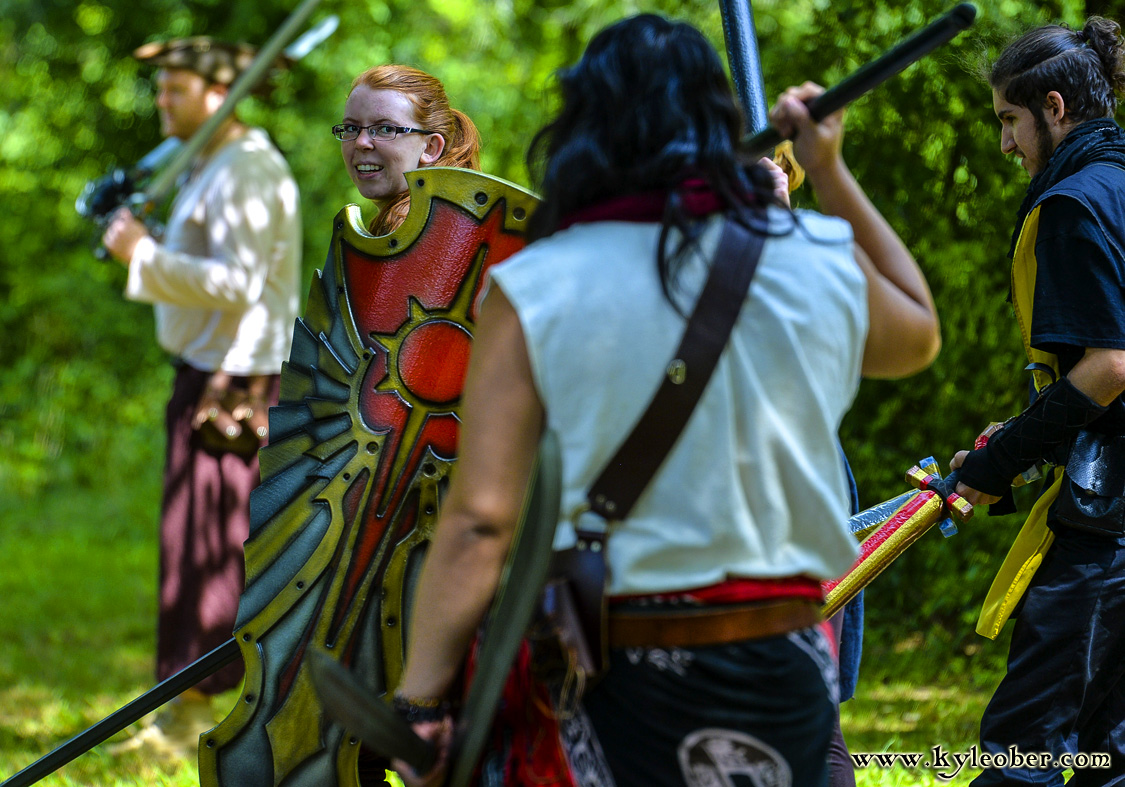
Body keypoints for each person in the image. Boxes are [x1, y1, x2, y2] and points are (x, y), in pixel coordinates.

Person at [387, 14, 939, 787]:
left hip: (613, 662)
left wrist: (420, 701)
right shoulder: (804, 253)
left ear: (585, 129)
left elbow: (482, 519)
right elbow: (915, 333)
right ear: (718, 127)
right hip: (777, 652)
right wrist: (831, 170)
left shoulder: (534, 284)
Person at [100, 36, 302, 758]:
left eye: (175, 88)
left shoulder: (248, 169)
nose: (161, 100)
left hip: (235, 382)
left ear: (221, 94)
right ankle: (181, 714)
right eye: (160, 87)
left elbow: (237, 285)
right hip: (207, 371)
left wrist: (141, 257)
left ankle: (220, 720)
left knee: (218, 557)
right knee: (190, 551)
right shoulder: (215, 162)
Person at [950, 17, 1125, 786]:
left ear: (1052, 108)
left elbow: (1109, 367)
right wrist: (1020, 437)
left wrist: (1000, 458)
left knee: (1022, 749)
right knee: (1109, 752)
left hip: (1104, 526)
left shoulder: (1073, 203)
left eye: (1007, 121)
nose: (1004, 144)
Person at [335, 64, 481, 234]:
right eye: (351, 128)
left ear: (430, 148)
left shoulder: (432, 233)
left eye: (386, 129)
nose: (361, 142)